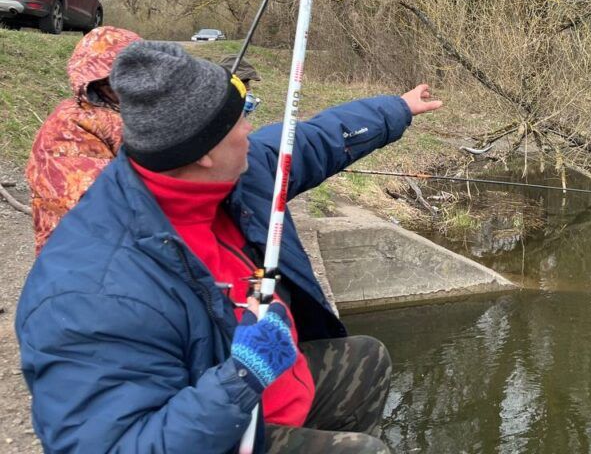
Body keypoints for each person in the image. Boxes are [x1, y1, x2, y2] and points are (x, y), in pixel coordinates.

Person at [16, 41, 442, 453]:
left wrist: (397, 109)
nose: (250, 129)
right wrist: (242, 378)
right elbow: (115, 444)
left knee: (365, 360)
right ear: (205, 152)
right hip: (217, 426)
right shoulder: (90, 289)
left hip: (261, 392)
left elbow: (314, 139)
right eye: (242, 118)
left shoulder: (236, 173)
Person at [25, 26, 141, 253]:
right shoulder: (70, 126)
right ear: (100, 78)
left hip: (125, 254)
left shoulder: (129, 112)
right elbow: (95, 212)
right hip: (80, 260)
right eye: (123, 72)